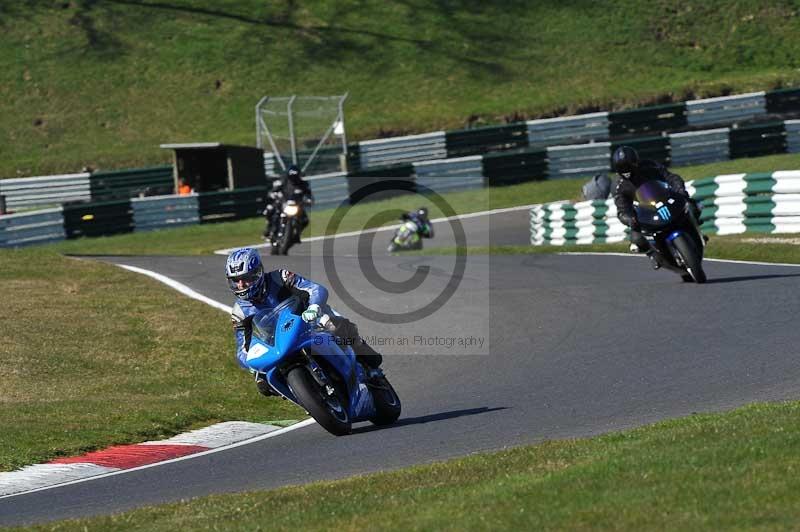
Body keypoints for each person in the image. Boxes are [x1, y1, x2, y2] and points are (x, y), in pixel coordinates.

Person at [225, 247, 385, 397]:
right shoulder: (239, 312)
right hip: (279, 342)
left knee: (333, 325)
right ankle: (305, 396)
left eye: (245, 279)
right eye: (236, 280)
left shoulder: (280, 277)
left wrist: (314, 307)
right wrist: (253, 365)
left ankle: (369, 367)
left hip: (309, 320)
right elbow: (242, 349)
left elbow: (315, 289)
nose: (241, 285)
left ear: (258, 273)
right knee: (263, 383)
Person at [612, 145, 703, 269]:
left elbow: (670, 177)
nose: (626, 170)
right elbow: (622, 208)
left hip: (666, 199)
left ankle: (697, 230)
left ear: (636, 162)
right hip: (643, 213)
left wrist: (680, 190)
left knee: (693, 205)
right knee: (637, 240)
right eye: (621, 167)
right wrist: (629, 218)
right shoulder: (619, 186)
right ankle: (652, 254)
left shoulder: (650, 166)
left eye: (628, 165)